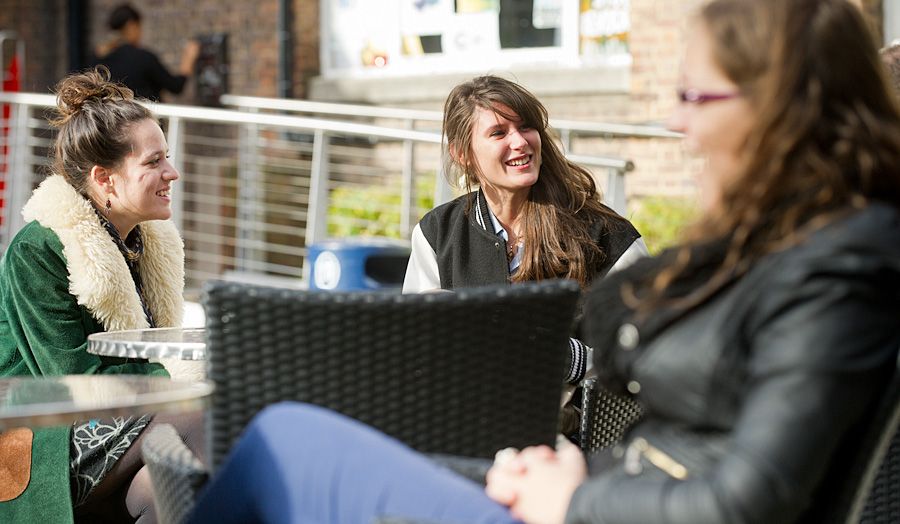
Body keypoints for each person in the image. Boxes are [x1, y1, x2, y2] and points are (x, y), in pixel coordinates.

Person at [187, 0, 900, 522]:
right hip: (555, 471)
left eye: (694, 96)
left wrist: (575, 497)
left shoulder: (833, 266)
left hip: (583, 502)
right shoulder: (784, 246)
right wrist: (572, 472)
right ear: (465, 156)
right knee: (287, 439)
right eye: (498, 132)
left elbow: (750, 497)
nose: (677, 121)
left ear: (775, 107)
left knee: (283, 436)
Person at [0, 67, 203, 523]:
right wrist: (178, 377)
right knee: (203, 420)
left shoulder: (144, 243)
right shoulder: (39, 248)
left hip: (123, 420)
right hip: (36, 436)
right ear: (105, 179)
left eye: (166, 157)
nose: (173, 172)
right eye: (154, 162)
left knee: (169, 483)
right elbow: (72, 377)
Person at [403, 75, 647, 399]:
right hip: (461, 427)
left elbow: (645, 354)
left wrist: (572, 361)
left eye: (526, 127)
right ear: (462, 153)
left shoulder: (606, 236)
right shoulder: (437, 234)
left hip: (569, 440)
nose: (519, 142)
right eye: (499, 133)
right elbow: (411, 348)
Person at [93, 3, 200, 102]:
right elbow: (175, 87)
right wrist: (188, 59)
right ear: (132, 26)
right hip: (141, 118)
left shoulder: (97, 58)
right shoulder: (143, 58)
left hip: (112, 119)